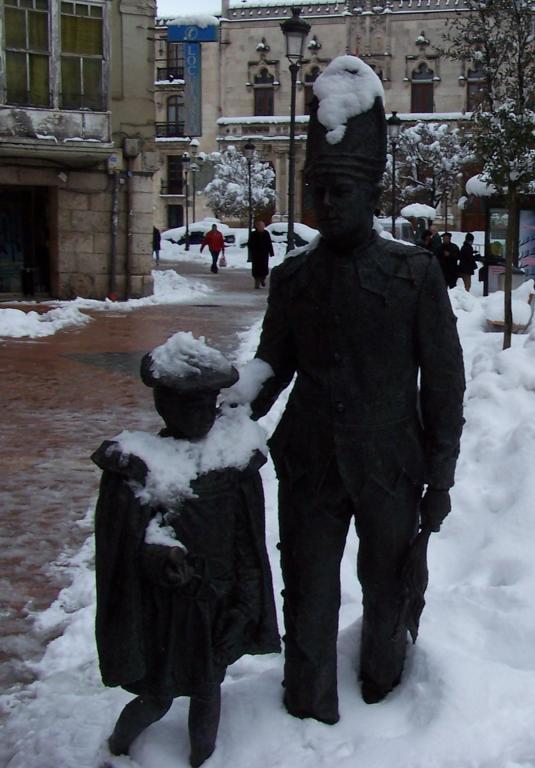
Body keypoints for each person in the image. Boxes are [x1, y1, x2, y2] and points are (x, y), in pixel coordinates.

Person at [229, 56, 465, 725]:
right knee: (307, 588)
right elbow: (272, 364)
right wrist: (228, 407)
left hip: (391, 463)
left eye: (340, 191)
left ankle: (382, 693)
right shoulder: (293, 278)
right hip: (308, 461)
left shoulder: (413, 273)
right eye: (318, 191)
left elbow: (443, 382)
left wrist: (441, 475)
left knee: (387, 587)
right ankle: (306, 704)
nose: (327, 204)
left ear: (369, 194)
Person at [93, 334, 278, 767]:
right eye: (185, 404)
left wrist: (246, 604)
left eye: (204, 404)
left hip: (217, 602)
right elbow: (128, 546)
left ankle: (202, 759)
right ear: (163, 405)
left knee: (208, 691)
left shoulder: (232, 461)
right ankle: (117, 748)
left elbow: (247, 541)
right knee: (157, 697)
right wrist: (162, 557)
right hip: (168, 613)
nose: (198, 414)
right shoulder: (142, 467)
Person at [247, 220, 273, 289]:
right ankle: (257, 282)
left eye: (262, 226)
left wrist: (271, 252)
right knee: (256, 269)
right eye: (260, 226)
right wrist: (252, 250)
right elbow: (249, 244)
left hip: (264, 254)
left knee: (264, 269)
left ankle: (262, 279)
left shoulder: (266, 233)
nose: (261, 227)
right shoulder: (253, 234)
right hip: (256, 255)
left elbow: (269, 243)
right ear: (257, 227)